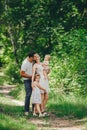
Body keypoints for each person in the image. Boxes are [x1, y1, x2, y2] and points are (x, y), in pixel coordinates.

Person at [20, 51, 37, 116]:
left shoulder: (33, 62)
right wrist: (31, 76)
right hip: (27, 80)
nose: (36, 58)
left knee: (34, 94)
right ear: (31, 57)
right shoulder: (25, 63)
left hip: (34, 80)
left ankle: (34, 110)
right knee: (28, 94)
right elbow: (22, 74)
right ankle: (26, 110)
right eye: (34, 57)